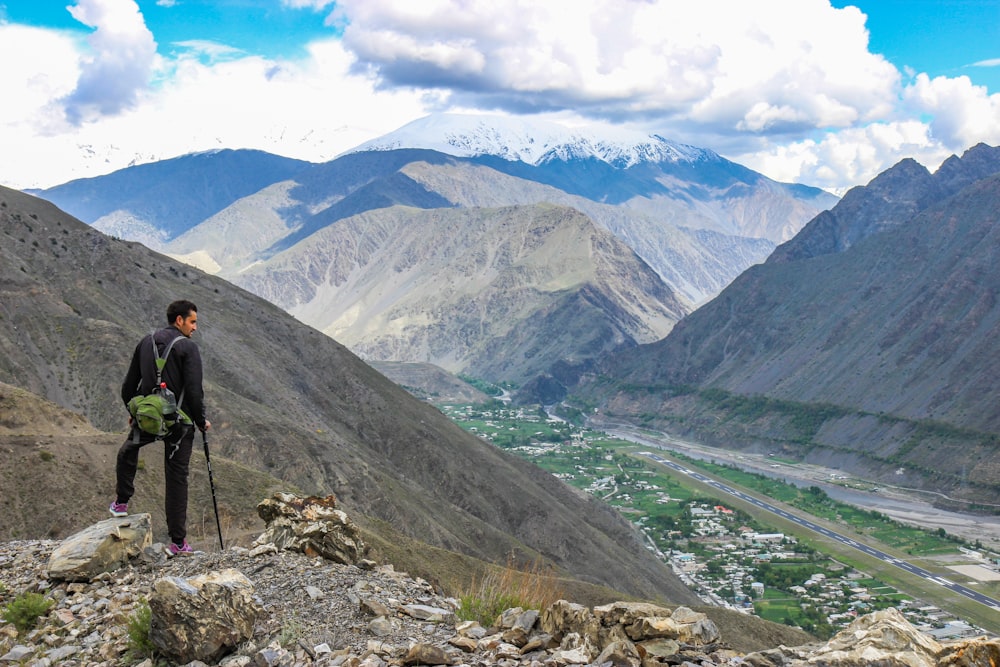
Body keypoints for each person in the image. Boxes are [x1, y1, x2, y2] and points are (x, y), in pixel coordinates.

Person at [110, 300, 211, 555]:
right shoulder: (188, 348)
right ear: (180, 320)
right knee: (177, 479)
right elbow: (195, 390)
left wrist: (134, 412)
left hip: (150, 416)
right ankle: (178, 543)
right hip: (180, 423)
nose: (195, 328)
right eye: (192, 322)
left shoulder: (146, 341)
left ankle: (121, 502)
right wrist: (201, 421)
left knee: (129, 449)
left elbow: (128, 385)